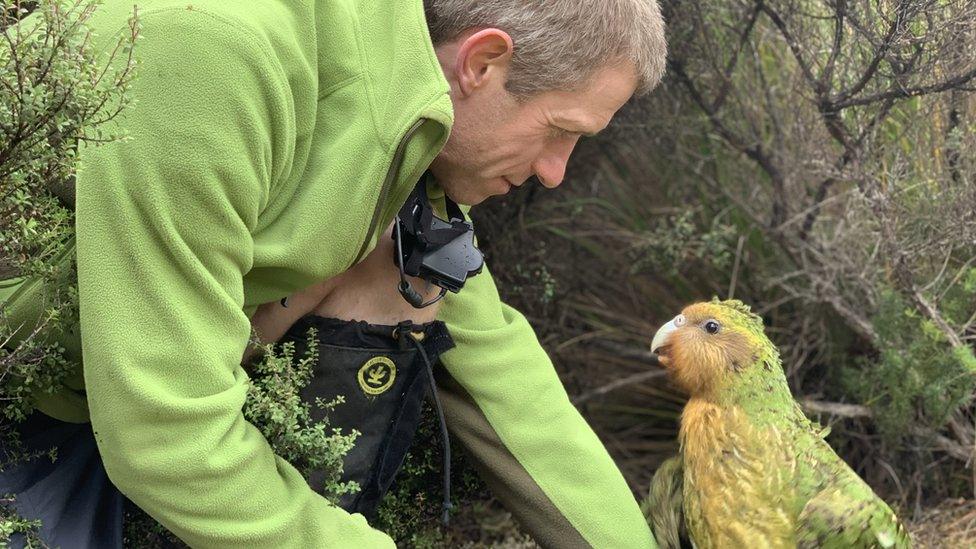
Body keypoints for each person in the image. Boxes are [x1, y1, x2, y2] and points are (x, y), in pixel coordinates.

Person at [0, 0, 667, 547]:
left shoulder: (405, 109)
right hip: (31, 398)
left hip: (106, 396)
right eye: (559, 130)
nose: (555, 171)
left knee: (405, 263)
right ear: (483, 61)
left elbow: (507, 378)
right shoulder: (224, 52)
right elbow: (164, 431)